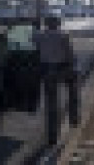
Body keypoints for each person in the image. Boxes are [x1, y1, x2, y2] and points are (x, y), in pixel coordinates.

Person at [33, 16, 78, 146]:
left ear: (46, 24)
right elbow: (70, 54)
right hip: (63, 68)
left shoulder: (40, 36)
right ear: (58, 24)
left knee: (51, 104)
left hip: (47, 70)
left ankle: (52, 136)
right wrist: (73, 65)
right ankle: (73, 118)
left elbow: (33, 42)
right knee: (73, 91)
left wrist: (35, 27)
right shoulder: (64, 35)